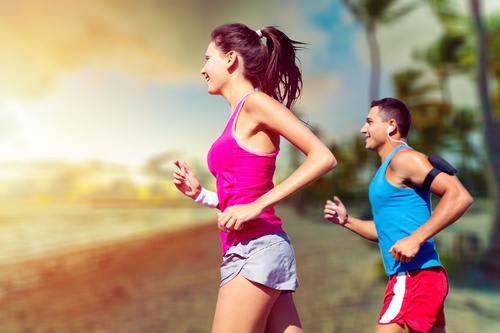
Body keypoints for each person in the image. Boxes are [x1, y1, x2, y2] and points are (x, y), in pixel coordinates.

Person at [173, 23, 337, 333]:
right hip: (253, 248)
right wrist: (201, 195)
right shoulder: (239, 115)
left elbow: (323, 157)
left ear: (231, 59)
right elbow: (241, 196)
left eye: (208, 58)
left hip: (255, 249)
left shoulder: (256, 104)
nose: (203, 69)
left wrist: (257, 206)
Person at [324, 98, 473, 333]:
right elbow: (384, 232)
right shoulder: (385, 172)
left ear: (391, 126)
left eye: (369, 122)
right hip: (416, 277)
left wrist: (415, 239)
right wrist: (347, 221)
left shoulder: (404, 159)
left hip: (414, 277)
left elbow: (459, 196)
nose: (364, 129)